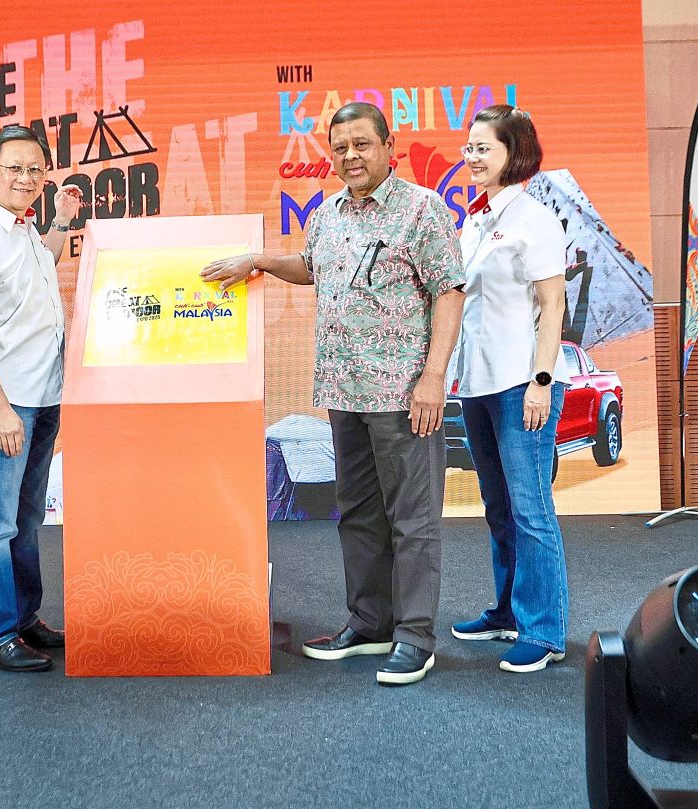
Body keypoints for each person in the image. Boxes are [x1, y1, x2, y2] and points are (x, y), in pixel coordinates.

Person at [202, 102, 465, 686]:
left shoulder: (422, 211)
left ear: (389, 145)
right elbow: (311, 265)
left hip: (403, 395)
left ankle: (415, 637)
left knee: (412, 521)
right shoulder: (328, 215)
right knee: (360, 516)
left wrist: (433, 376)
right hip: (344, 392)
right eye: (340, 147)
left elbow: (450, 291)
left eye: (362, 144)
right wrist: (261, 261)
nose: (350, 156)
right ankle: (370, 624)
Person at [0, 124, 82, 672]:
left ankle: (24, 620)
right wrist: (0, 408)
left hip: (43, 393)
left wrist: (60, 225)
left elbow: (42, 263)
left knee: (26, 520)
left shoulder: (23, 229)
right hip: (5, 400)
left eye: (35, 169)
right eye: (15, 169)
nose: (26, 178)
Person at [448, 105, 571, 673]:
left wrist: (542, 382)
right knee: (497, 508)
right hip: (477, 383)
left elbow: (553, 305)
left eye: (483, 148)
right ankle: (506, 612)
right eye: (469, 147)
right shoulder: (472, 220)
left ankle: (544, 631)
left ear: (513, 153)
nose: (471, 157)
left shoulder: (536, 218)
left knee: (530, 509)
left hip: (524, 382)